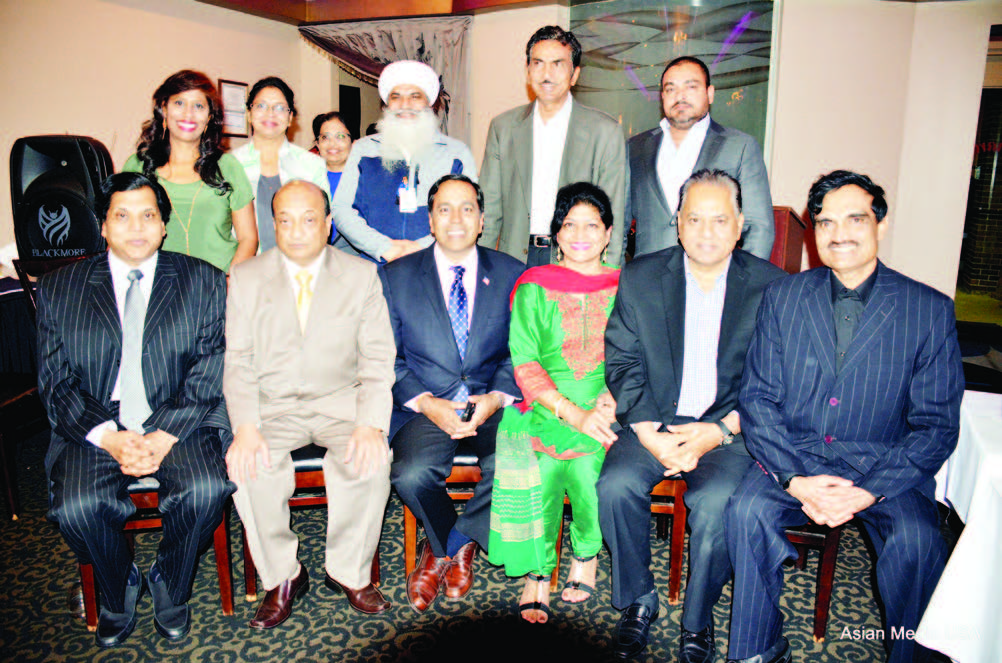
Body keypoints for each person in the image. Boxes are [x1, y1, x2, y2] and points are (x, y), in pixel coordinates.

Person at [726, 170, 963, 663]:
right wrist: (795, 480)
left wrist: (868, 489)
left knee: (917, 541)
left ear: (880, 223)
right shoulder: (783, 298)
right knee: (746, 511)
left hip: (884, 463)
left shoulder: (929, 310)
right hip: (796, 454)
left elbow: (936, 425)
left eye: (854, 219)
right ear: (812, 233)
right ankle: (757, 650)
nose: (839, 234)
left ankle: (908, 655)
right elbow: (758, 400)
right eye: (825, 222)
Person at [37, 172, 233, 647]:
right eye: (121, 216)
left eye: (148, 215)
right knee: (77, 506)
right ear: (103, 226)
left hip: (178, 415)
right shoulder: (60, 288)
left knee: (206, 488)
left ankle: (169, 578)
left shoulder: (202, 279)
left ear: (164, 225)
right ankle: (119, 581)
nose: (137, 227)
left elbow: (212, 367)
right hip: (98, 422)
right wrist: (108, 436)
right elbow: (55, 382)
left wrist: (163, 433)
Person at [599, 169, 786, 660]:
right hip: (654, 418)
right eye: (694, 219)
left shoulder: (773, 287)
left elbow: (777, 381)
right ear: (677, 223)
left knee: (718, 503)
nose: (706, 232)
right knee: (614, 487)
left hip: (730, 427)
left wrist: (719, 431)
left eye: (719, 220)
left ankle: (697, 622)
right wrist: (647, 431)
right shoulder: (641, 276)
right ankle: (639, 601)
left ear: (740, 224)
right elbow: (621, 360)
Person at [223, 180, 396, 628]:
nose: (297, 231)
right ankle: (282, 575)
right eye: (285, 221)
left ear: (328, 224)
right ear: (273, 225)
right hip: (272, 407)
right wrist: (245, 427)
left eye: (309, 219)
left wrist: (370, 423)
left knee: (370, 462)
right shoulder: (245, 277)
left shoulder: (361, 276)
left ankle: (348, 571)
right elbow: (238, 361)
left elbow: (378, 359)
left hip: (341, 405)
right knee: (250, 469)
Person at [380, 174, 524, 612]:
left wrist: (498, 397)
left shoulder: (514, 273)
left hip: (491, 402)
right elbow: (386, 356)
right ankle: (450, 546)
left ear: (482, 219)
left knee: (517, 462)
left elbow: (524, 352)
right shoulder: (396, 276)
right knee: (409, 474)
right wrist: (425, 402)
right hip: (425, 404)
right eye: (445, 209)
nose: (456, 219)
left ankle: (450, 545)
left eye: (467, 209)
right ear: (430, 218)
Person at [489, 182, 621, 624]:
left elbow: (637, 355)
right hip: (543, 406)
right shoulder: (533, 286)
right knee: (542, 473)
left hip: (608, 408)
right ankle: (538, 570)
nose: (580, 234)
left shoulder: (627, 286)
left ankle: (586, 556)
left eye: (592, 225)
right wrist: (571, 412)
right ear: (556, 235)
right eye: (569, 225)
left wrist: (609, 401)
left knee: (588, 472)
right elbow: (523, 361)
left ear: (607, 234)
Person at [479, 26, 628, 267]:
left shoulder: (605, 131)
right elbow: (490, 209)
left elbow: (615, 214)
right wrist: (480, 268)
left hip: (576, 259)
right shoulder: (503, 127)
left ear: (575, 74)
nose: (546, 73)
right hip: (514, 259)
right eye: (538, 63)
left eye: (557, 63)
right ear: (528, 71)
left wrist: (609, 274)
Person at [628, 56, 774, 260]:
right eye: (671, 89)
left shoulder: (740, 147)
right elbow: (618, 224)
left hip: (714, 278)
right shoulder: (635, 148)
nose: (680, 96)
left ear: (710, 93)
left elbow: (760, 228)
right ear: (662, 96)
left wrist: (743, 286)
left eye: (691, 87)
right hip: (645, 280)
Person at [333, 61, 476, 263]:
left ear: (430, 103)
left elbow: (468, 216)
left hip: (434, 265)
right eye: (396, 96)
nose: (404, 105)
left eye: (415, 96)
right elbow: (342, 209)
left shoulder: (456, 154)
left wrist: (422, 248)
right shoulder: (363, 149)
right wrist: (382, 247)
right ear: (386, 104)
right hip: (371, 266)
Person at [124, 69, 256, 273]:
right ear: (164, 109)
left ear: (209, 117)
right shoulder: (138, 166)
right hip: (157, 287)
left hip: (217, 286)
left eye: (198, 106)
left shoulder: (228, 166)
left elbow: (248, 238)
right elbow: (122, 231)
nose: (188, 113)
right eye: (179, 103)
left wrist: (229, 285)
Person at [233, 77, 330, 253]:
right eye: (261, 106)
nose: (270, 113)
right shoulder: (231, 164)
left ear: (290, 117)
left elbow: (322, 223)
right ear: (249, 113)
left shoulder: (311, 164)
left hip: (301, 265)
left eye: (279, 108)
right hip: (246, 268)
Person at [312, 111, 354, 215]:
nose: (332, 144)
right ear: (317, 144)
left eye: (340, 136)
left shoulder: (364, 180)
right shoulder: (308, 180)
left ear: (353, 142)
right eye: (325, 137)